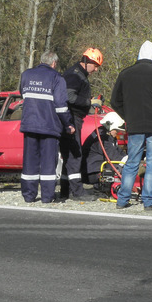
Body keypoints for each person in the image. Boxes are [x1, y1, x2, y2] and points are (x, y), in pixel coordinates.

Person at [110, 41, 152, 210]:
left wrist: (128, 117)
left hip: (135, 125)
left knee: (132, 162)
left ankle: (122, 199)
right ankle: (148, 201)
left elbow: (115, 101)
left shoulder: (125, 74)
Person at [18, 51, 75, 203]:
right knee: (48, 163)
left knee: (30, 162)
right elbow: (61, 106)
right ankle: (47, 197)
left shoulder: (26, 75)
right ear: (54, 63)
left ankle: (29, 196)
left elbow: (23, 94)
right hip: (49, 126)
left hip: (29, 125)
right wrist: (68, 124)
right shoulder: (57, 78)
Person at [60, 48, 104, 201]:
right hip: (72, 118)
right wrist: (89, 102)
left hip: (72, 118)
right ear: (86, 62)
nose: (96, 70)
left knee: (68, 155)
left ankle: (65, 189)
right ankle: (76, 192)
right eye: (95, 66)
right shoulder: (74, 75)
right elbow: (70, 96)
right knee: (75, 154)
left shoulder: (77, 74)